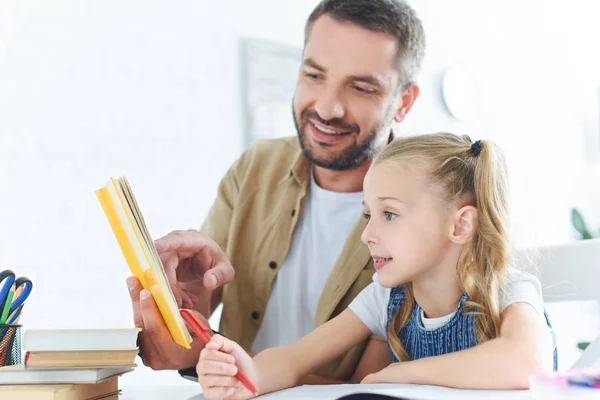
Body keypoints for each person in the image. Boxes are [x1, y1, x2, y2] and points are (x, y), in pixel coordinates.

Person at [126, 0, 543, 384]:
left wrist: (398, 377)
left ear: (404, 102)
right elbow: (277, 362)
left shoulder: (436, 235)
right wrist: (188, 338)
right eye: (313, 75)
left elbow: (366, 384)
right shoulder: (257, 170)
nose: (328, 107)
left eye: (361, 88)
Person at [195, 133, 557, 399]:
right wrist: (249, 374)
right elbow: (295, 358)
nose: (367, 234)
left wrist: (402, 374)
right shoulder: (386, 298)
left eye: (390, 214)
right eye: (368, 215)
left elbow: (527, 361)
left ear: (460, 225)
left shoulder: (508, 289)